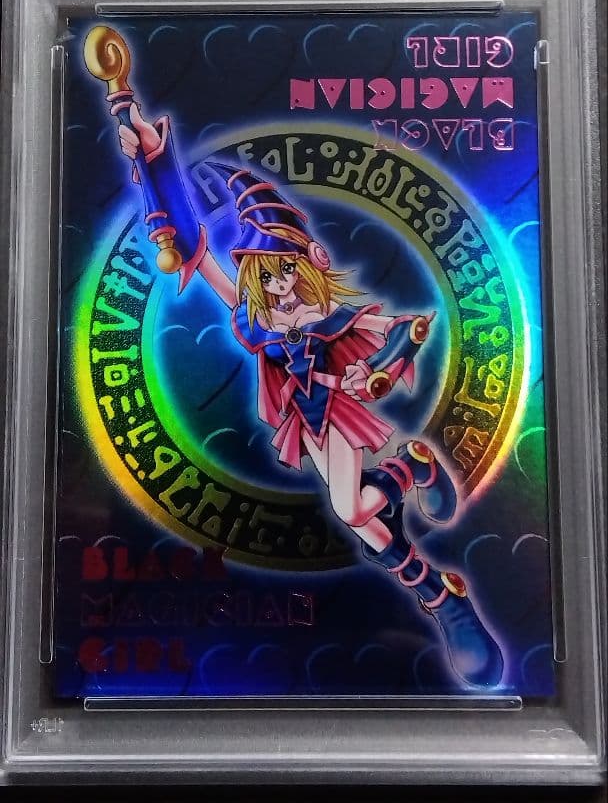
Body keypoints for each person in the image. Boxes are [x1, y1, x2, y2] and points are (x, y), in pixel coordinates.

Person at [117, 102, 504, 688]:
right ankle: (414, 489)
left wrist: (376, 367)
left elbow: (406, 330)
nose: (279, 286)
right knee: (362, 517)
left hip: (339, 409)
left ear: (311, 262)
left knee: (353, 511)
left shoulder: (332, 317)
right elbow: (196, 250)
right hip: (307, 417)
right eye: (267, 276)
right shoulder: (256, 318)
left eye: (287, 272)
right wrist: (156, 162)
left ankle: (438, 585)